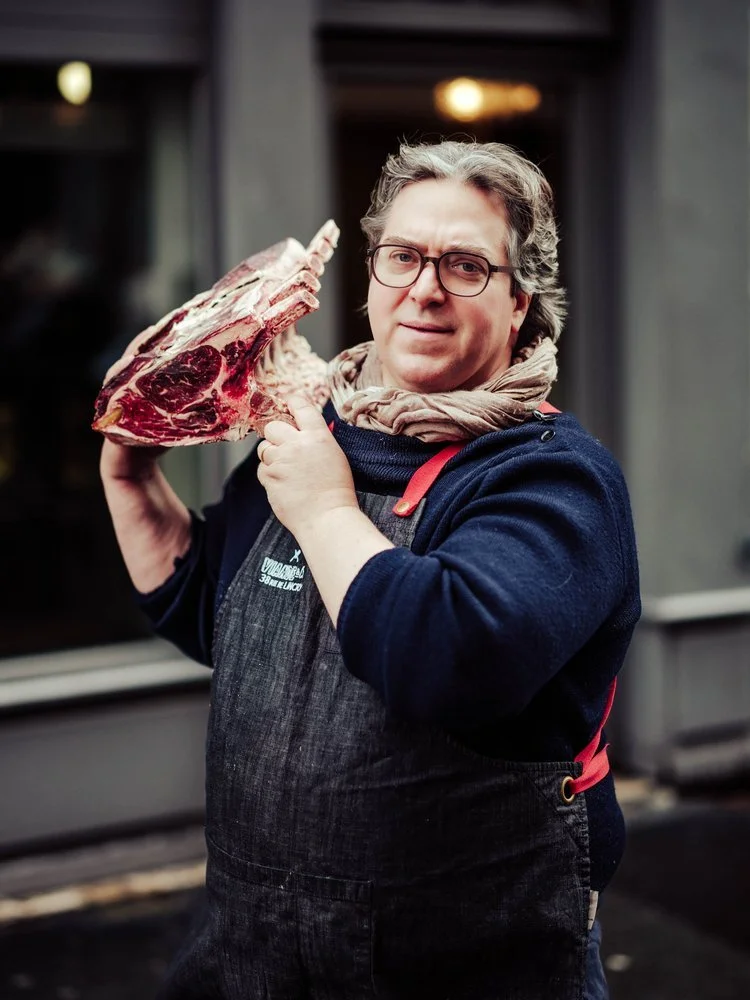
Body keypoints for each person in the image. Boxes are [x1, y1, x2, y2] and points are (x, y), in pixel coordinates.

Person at [100, 139, 640, 1000]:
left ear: (520, 301)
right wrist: (131, 477)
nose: (425, 289)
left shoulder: (551, 478)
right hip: (253, 961)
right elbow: (218, 612)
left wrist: (323, 511)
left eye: (465, 265)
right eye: (403, 256)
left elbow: (449, 656)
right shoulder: (318, 433)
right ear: (372, 275)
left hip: (471, 974)